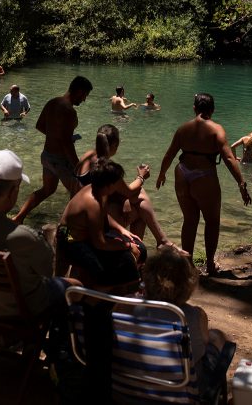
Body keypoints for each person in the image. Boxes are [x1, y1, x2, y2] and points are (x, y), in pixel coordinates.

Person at [0, 150, 78, 317]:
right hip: (15, 311)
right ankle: (60, 340)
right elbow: (47, 272)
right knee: (74, 286)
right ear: (12, 192)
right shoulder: (24, 237)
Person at [155, 93, 251, 276]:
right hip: (204, 176)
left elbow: (170, 154)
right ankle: (210, 265)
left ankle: (188, 265)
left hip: (182, 172)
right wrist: (241, 183)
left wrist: (161, 174)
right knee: (212, 222)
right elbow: (229, 158)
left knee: (190, 220)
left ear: (194, 109)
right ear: (212, 110)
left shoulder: (183, 129)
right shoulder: (216, 130)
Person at [77, 124, 176, 249]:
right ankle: (141, 248)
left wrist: (123, 198)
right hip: (97, 220)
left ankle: (157, 242)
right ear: (114, 145)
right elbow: (128, 191)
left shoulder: (86, 157)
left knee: (136, 201)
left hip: (82, 215)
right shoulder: (106, 168)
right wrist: (141, 176)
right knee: (140, 203)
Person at [141, 248, 230, 385]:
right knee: (217, 337)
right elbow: (203, 345)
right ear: (188, 284)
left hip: (130, 391)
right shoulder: (195, 315)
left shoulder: (126, 307)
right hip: (183, 394)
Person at [13, 76, 93, 224]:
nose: (84, 100)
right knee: (80, 193)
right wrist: (78, 166)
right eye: (84, 95)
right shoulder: (69, 111)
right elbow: (66, 144)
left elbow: (40, 126)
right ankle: (67, 230)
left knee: (47, 190)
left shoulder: (52, 102)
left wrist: (56, 136)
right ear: (79, 91)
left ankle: (19, 217)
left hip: (47, 156)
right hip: (60, 160)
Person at [57, 158, 142, 292]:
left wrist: (121, 229)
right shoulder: (92, 202)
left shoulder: (98, 190)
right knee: (104, 270)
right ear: (108, 185)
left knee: (135, 247)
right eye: (117, 182)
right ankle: (98, 297)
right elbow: (100, 243)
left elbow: (102, 215)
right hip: (68, 238)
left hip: (80, 233)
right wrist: (127, 246)